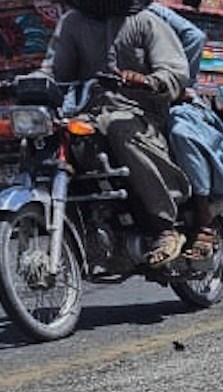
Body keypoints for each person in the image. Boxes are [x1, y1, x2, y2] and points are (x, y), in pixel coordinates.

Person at [33, 0, 191, 267]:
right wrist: (32, 81)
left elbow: (175, 71)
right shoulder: (73, 23)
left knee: (120, 129)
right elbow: (54, 69)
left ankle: (164, 226)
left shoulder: (146, 21)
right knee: (51, 135)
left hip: (139, 113)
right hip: (90, 112)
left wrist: (149, 81)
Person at [145, 3, 223, 262]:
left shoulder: (147, 10)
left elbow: (194, 37)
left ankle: (204, 219)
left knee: (181, 132)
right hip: (119, 102)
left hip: (167, 98)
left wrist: (175, 84)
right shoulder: (79, 19)